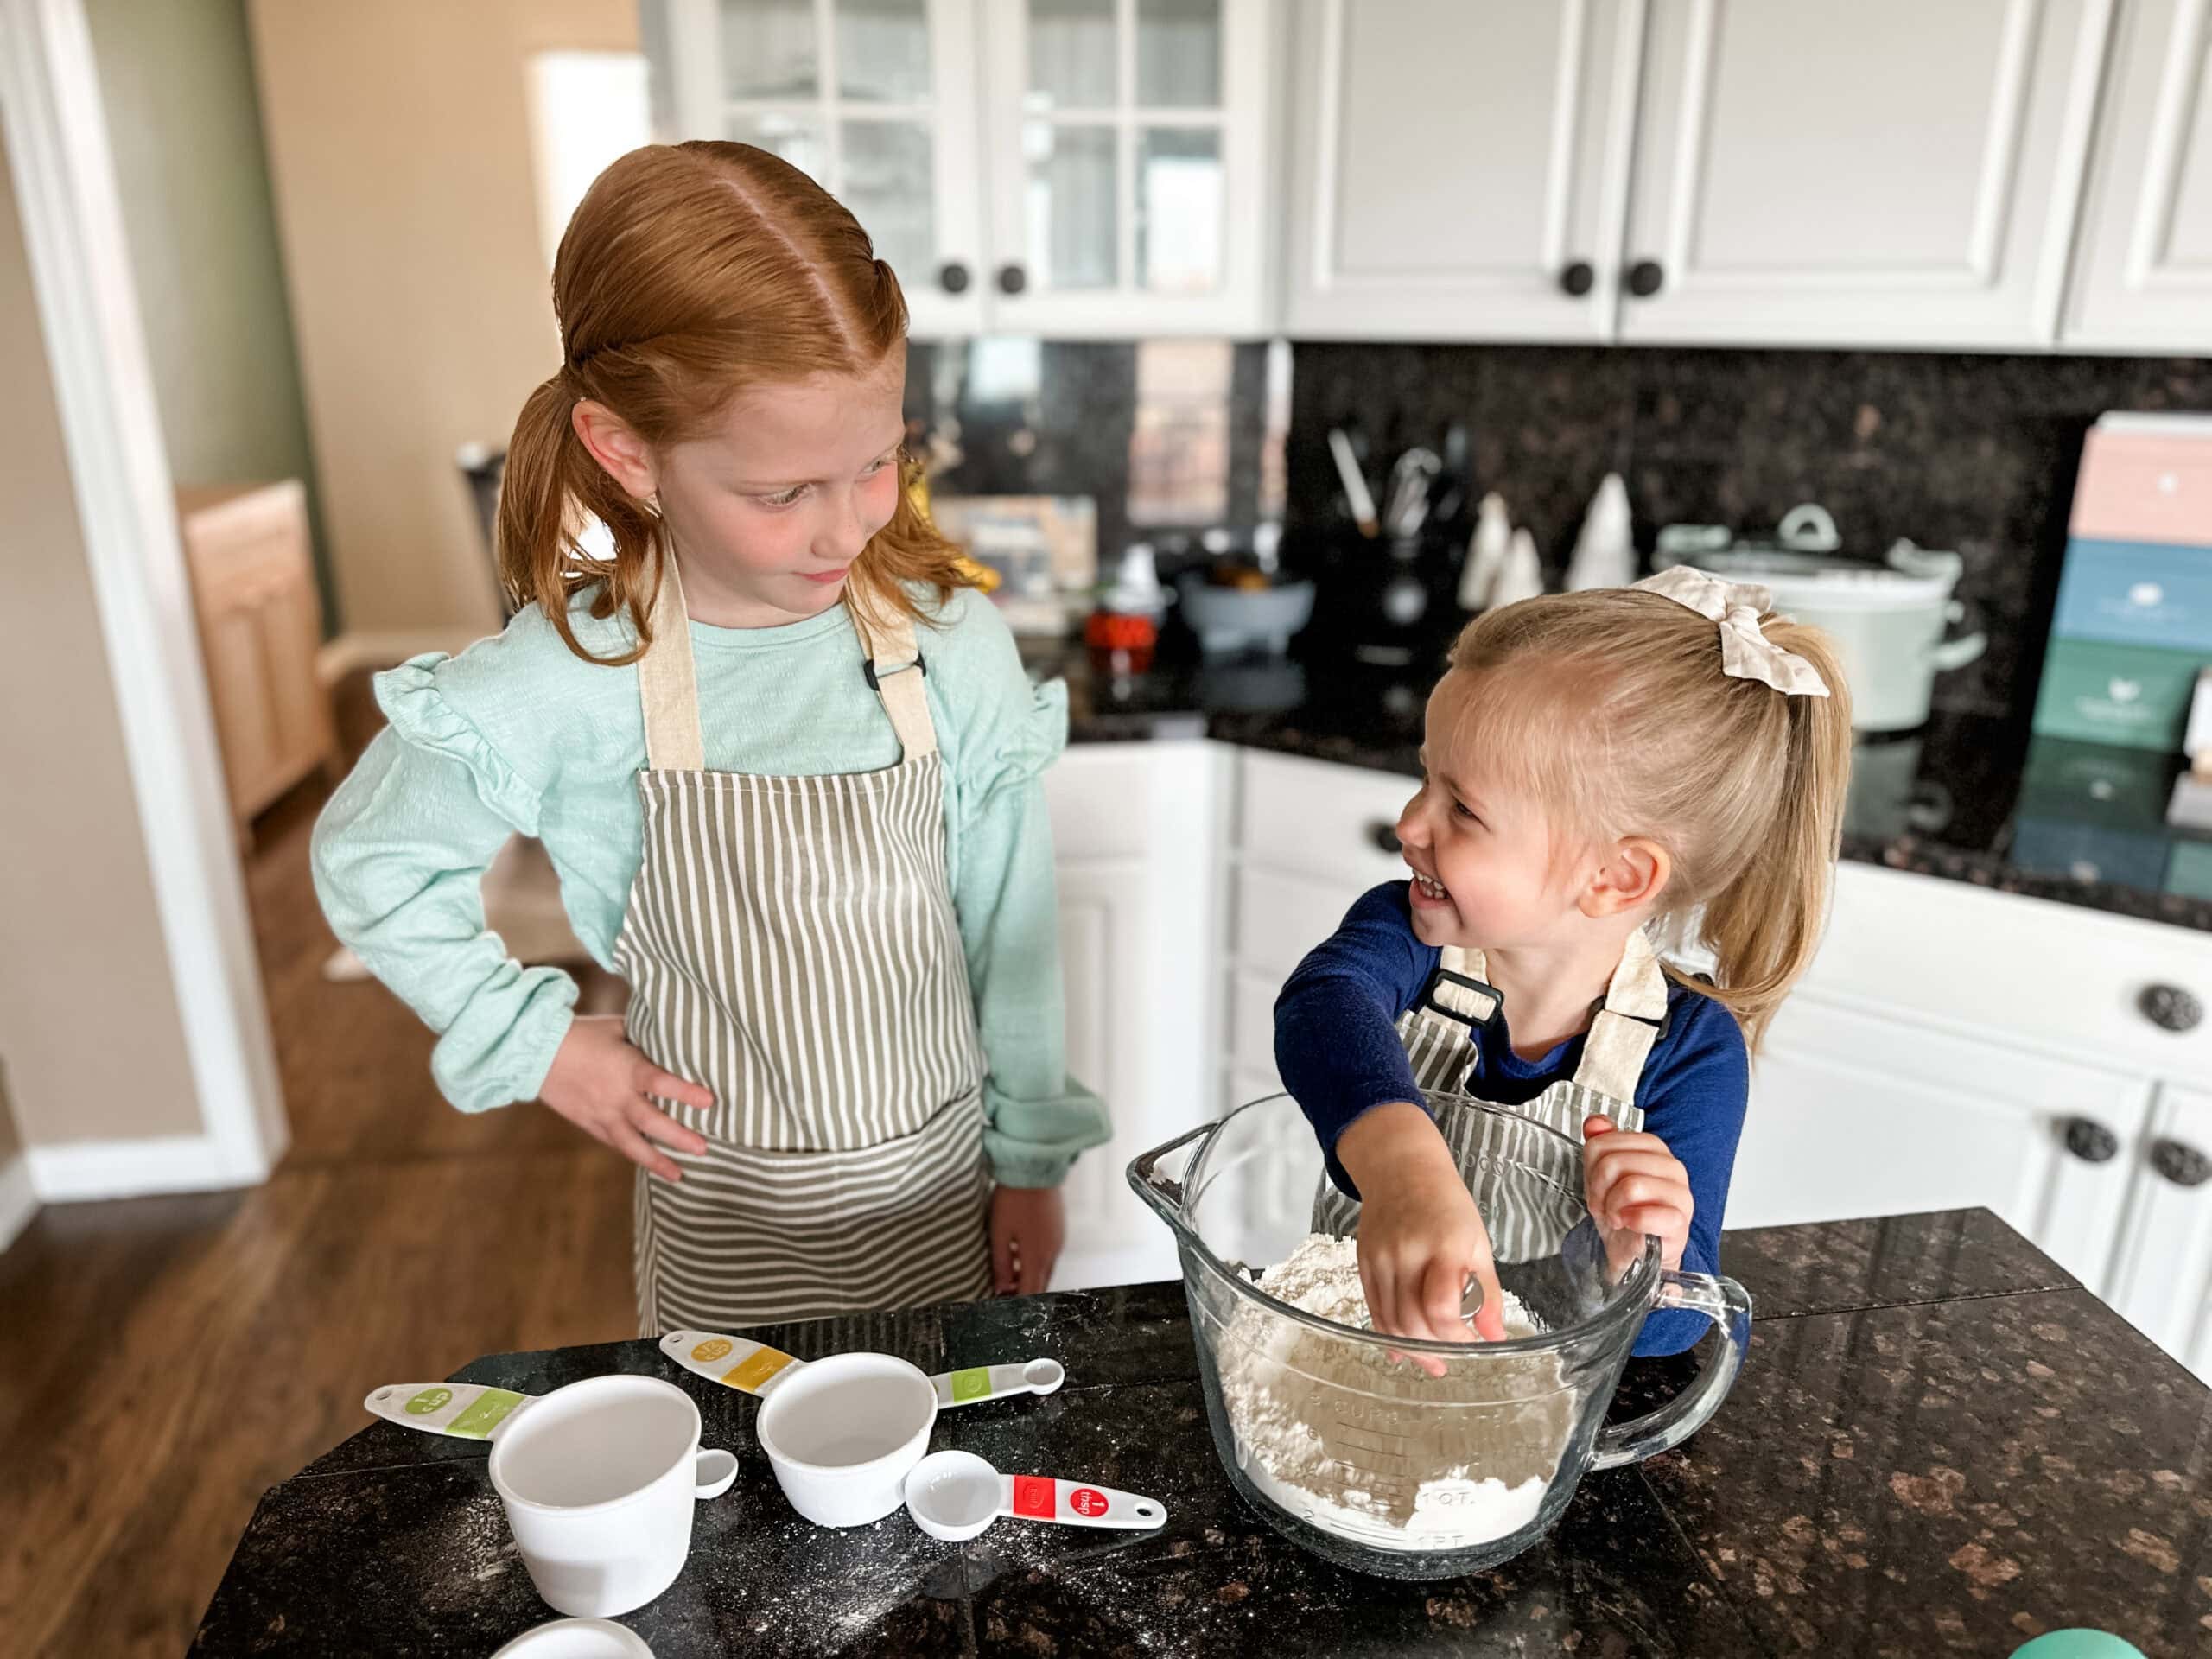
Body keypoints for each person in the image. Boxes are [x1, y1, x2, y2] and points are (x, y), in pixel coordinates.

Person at [313, 142, 1107, 1334]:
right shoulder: (576, 675)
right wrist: (537, 1045)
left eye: (878, 463)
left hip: (944, 1198)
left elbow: (1013, 922)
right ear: (628, 452)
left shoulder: (950, 645)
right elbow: (371, 861)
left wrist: (1033, 1160)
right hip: (728, 1231)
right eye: (783, 493)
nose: (845, 526)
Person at [1274, 567, 1852, 1356]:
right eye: (1424, 778)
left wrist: (1642, 1261)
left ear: (1616, 877)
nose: (1411, 822)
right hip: (1357, 1362)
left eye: (1464, 809)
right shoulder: (1410, 939)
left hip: (1536, 1414)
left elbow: (1686, 1326)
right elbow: (1322, 1004)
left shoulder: (1690, 1053)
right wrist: (1407, 1174)